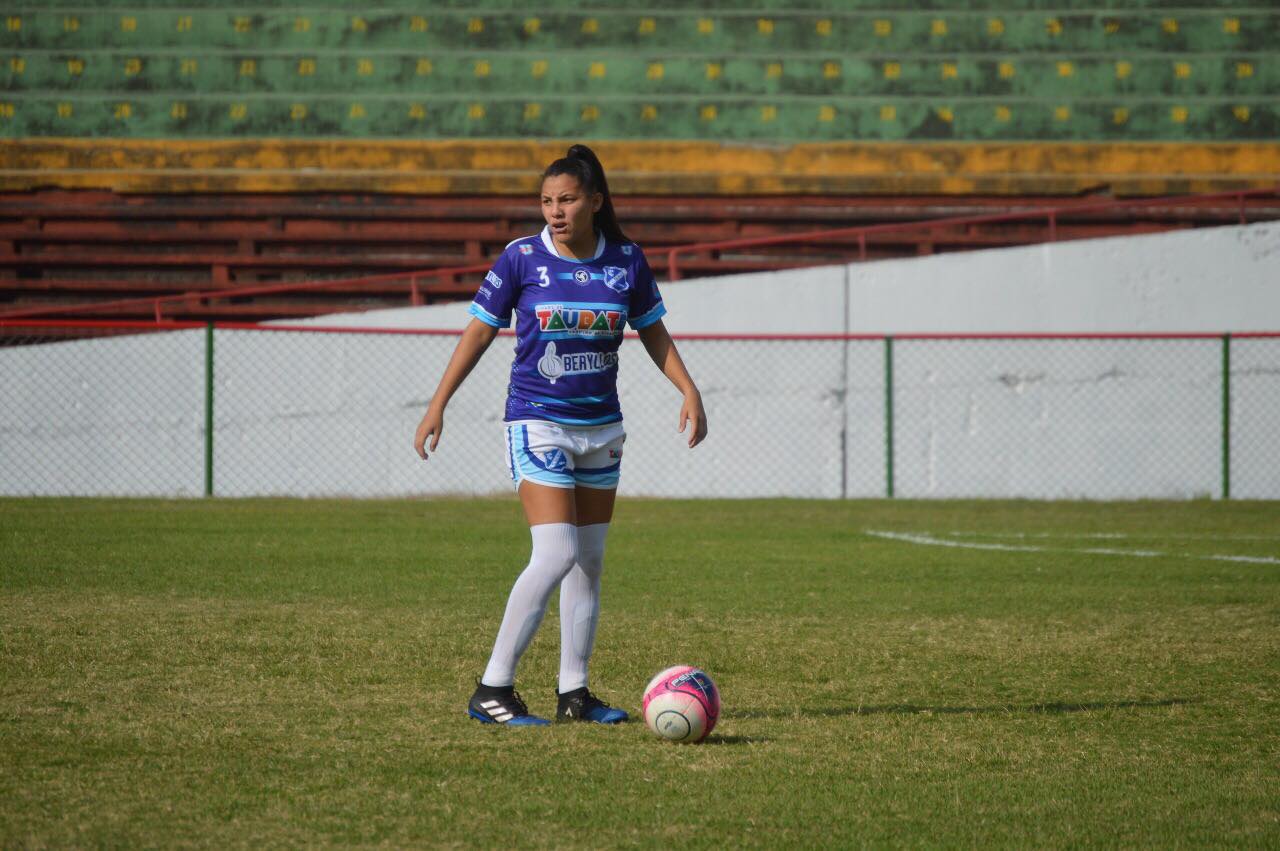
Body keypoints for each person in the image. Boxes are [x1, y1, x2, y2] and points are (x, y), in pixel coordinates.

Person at [413, 145, 708, 726]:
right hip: (537, 420)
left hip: (601, 428)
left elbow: (652, 332)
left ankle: (574, 694)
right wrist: (437, 404)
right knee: (557, 551)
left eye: (567, 199)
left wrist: (688, 389)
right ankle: (491, 688)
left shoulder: (626, 260)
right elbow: (476, 334)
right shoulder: (522, 259)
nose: (555, 211)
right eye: (547, 201)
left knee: (589, 562)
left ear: (595, 202)